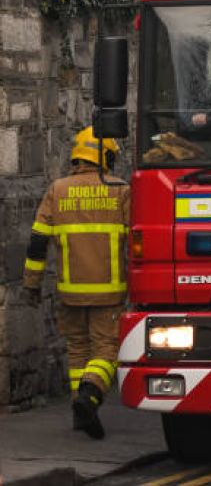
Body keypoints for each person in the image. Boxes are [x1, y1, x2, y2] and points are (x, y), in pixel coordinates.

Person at [22, 126, 129, 440]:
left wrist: (32, 284)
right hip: (109, 293)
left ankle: (80, 412)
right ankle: (90, 396)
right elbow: (138, 241)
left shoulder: (57, 190)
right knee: (108, 353)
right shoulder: (120, 190)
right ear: (105, 156)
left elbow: (38, 242)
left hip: (70, 292)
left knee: (79, 353)